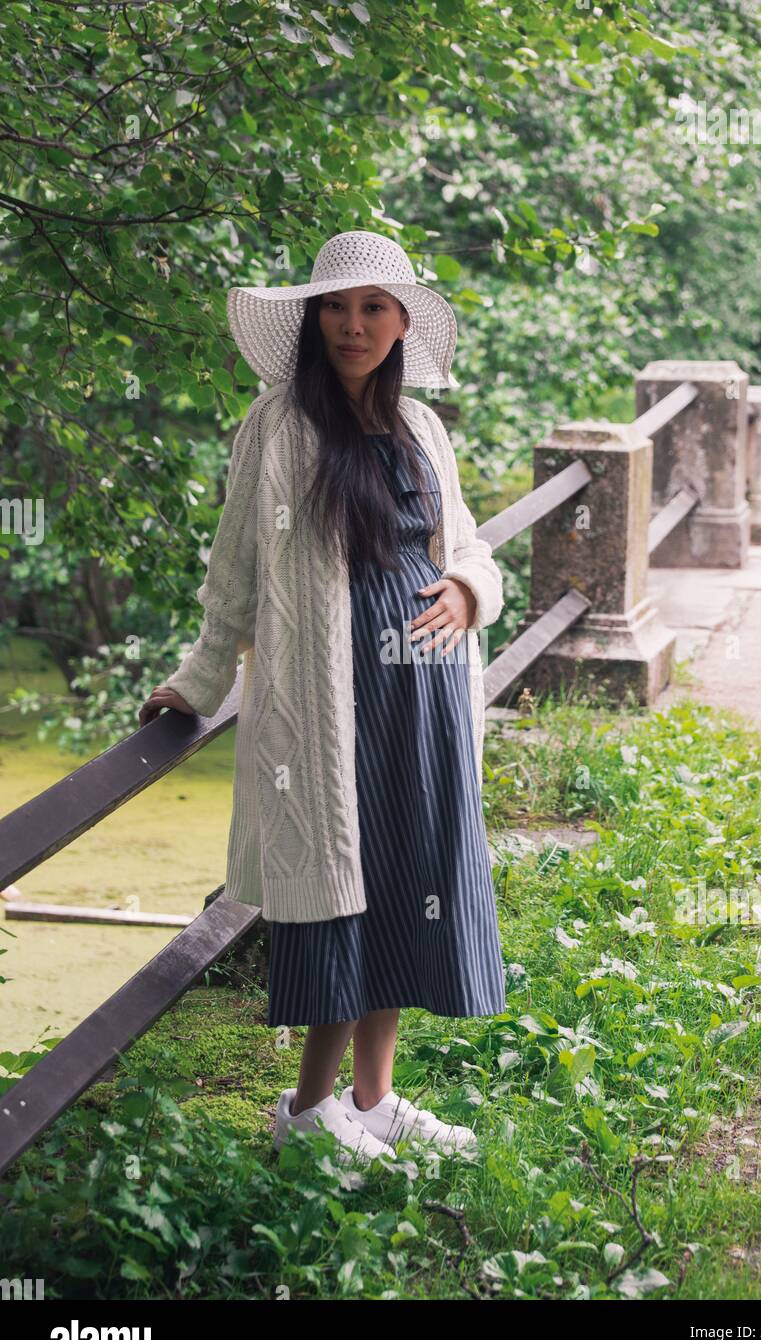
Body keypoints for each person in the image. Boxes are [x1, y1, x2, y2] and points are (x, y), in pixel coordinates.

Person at [139, 230, 506, 1167]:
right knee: (340, 893)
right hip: (329, 703)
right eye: (335, 307)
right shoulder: (277, 426)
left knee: (401, 888)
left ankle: (374, 1102)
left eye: (373, 307)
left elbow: (466, 547)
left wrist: (467, 591)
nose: (352, 325)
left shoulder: (422, 429)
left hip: (422, 697)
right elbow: (235, 577)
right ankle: (306, 1111)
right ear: (310, 318)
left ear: (400, 323)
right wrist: (197, 680)